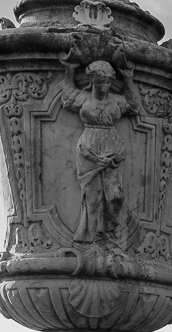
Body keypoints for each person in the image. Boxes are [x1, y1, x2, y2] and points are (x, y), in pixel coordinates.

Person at [59, 36, 142, 249]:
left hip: (112, 145)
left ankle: (111, 230)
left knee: (115, 196)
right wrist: (69, 70)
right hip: (88, 147)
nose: (105, 85)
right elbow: (67, 98)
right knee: (92, 196)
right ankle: (94, 237)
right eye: (101, 81)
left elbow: (134, 106)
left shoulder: (115, 100)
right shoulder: (84, 98)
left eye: (108, 81)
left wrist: (129, 79)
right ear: (92, 80)